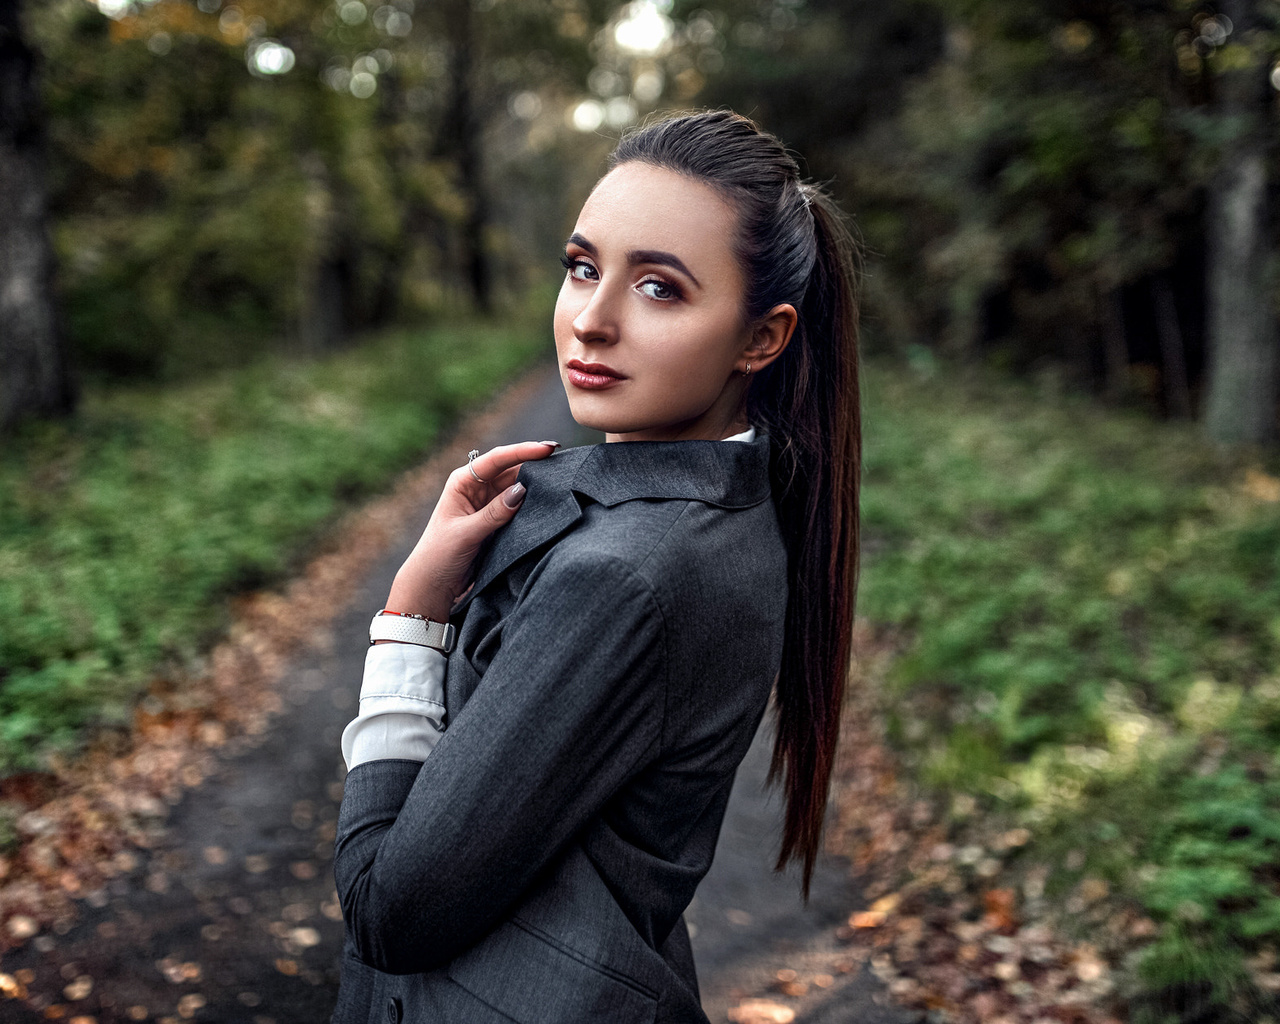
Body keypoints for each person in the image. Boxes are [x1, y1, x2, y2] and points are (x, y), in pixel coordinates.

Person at [332, 109, 861, 1023]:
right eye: (583, 268)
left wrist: (411, 616)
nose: (592, 319)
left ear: (760, 338)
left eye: (659, 288)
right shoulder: (740, 505)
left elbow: (391, 912)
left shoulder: (622, 577)